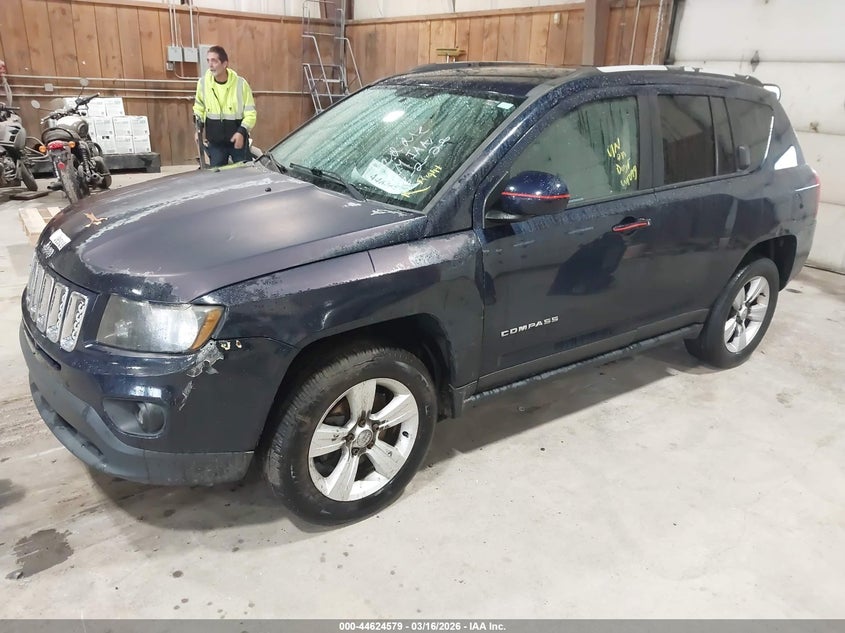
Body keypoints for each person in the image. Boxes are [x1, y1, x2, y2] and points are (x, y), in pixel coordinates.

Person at [193, 46, 256, 167]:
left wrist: (242, 132)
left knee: (245, 174)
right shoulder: (203, 83)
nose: (210, 65)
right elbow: (198, 108)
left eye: (214, 61)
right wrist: (198, 129)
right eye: (208, 61)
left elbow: (251, 113)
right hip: (216, 143)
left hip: (238, 140)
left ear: (225, 63)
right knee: (218, 178)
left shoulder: (241, 84)